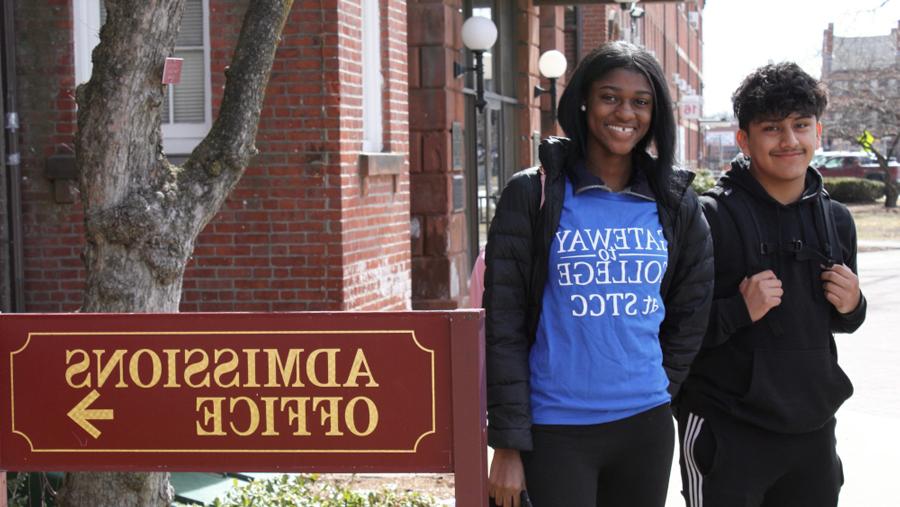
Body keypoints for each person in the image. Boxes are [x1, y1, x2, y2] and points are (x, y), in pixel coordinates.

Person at [483, 41, 714, 507]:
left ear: (656, 113)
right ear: (585, 100)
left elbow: (692, 308)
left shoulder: (673, 201)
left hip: (644, 426)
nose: (625, 112)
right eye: (610, 96)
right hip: (557, 428)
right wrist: (508, 443)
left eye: (640, 101)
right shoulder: (534, 194)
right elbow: (503, 325)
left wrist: (660, 383)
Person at [675, 62, 867, 507]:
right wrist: (738, 310)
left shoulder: (836, 220)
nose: (790, 141)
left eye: (801, 126)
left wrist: (853, 305)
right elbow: (673, 331)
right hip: (727, 430)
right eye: (772, 128)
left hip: (813, 432)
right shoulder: (707, 219)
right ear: (744, 138)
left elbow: (840, 323)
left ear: (817, 130)